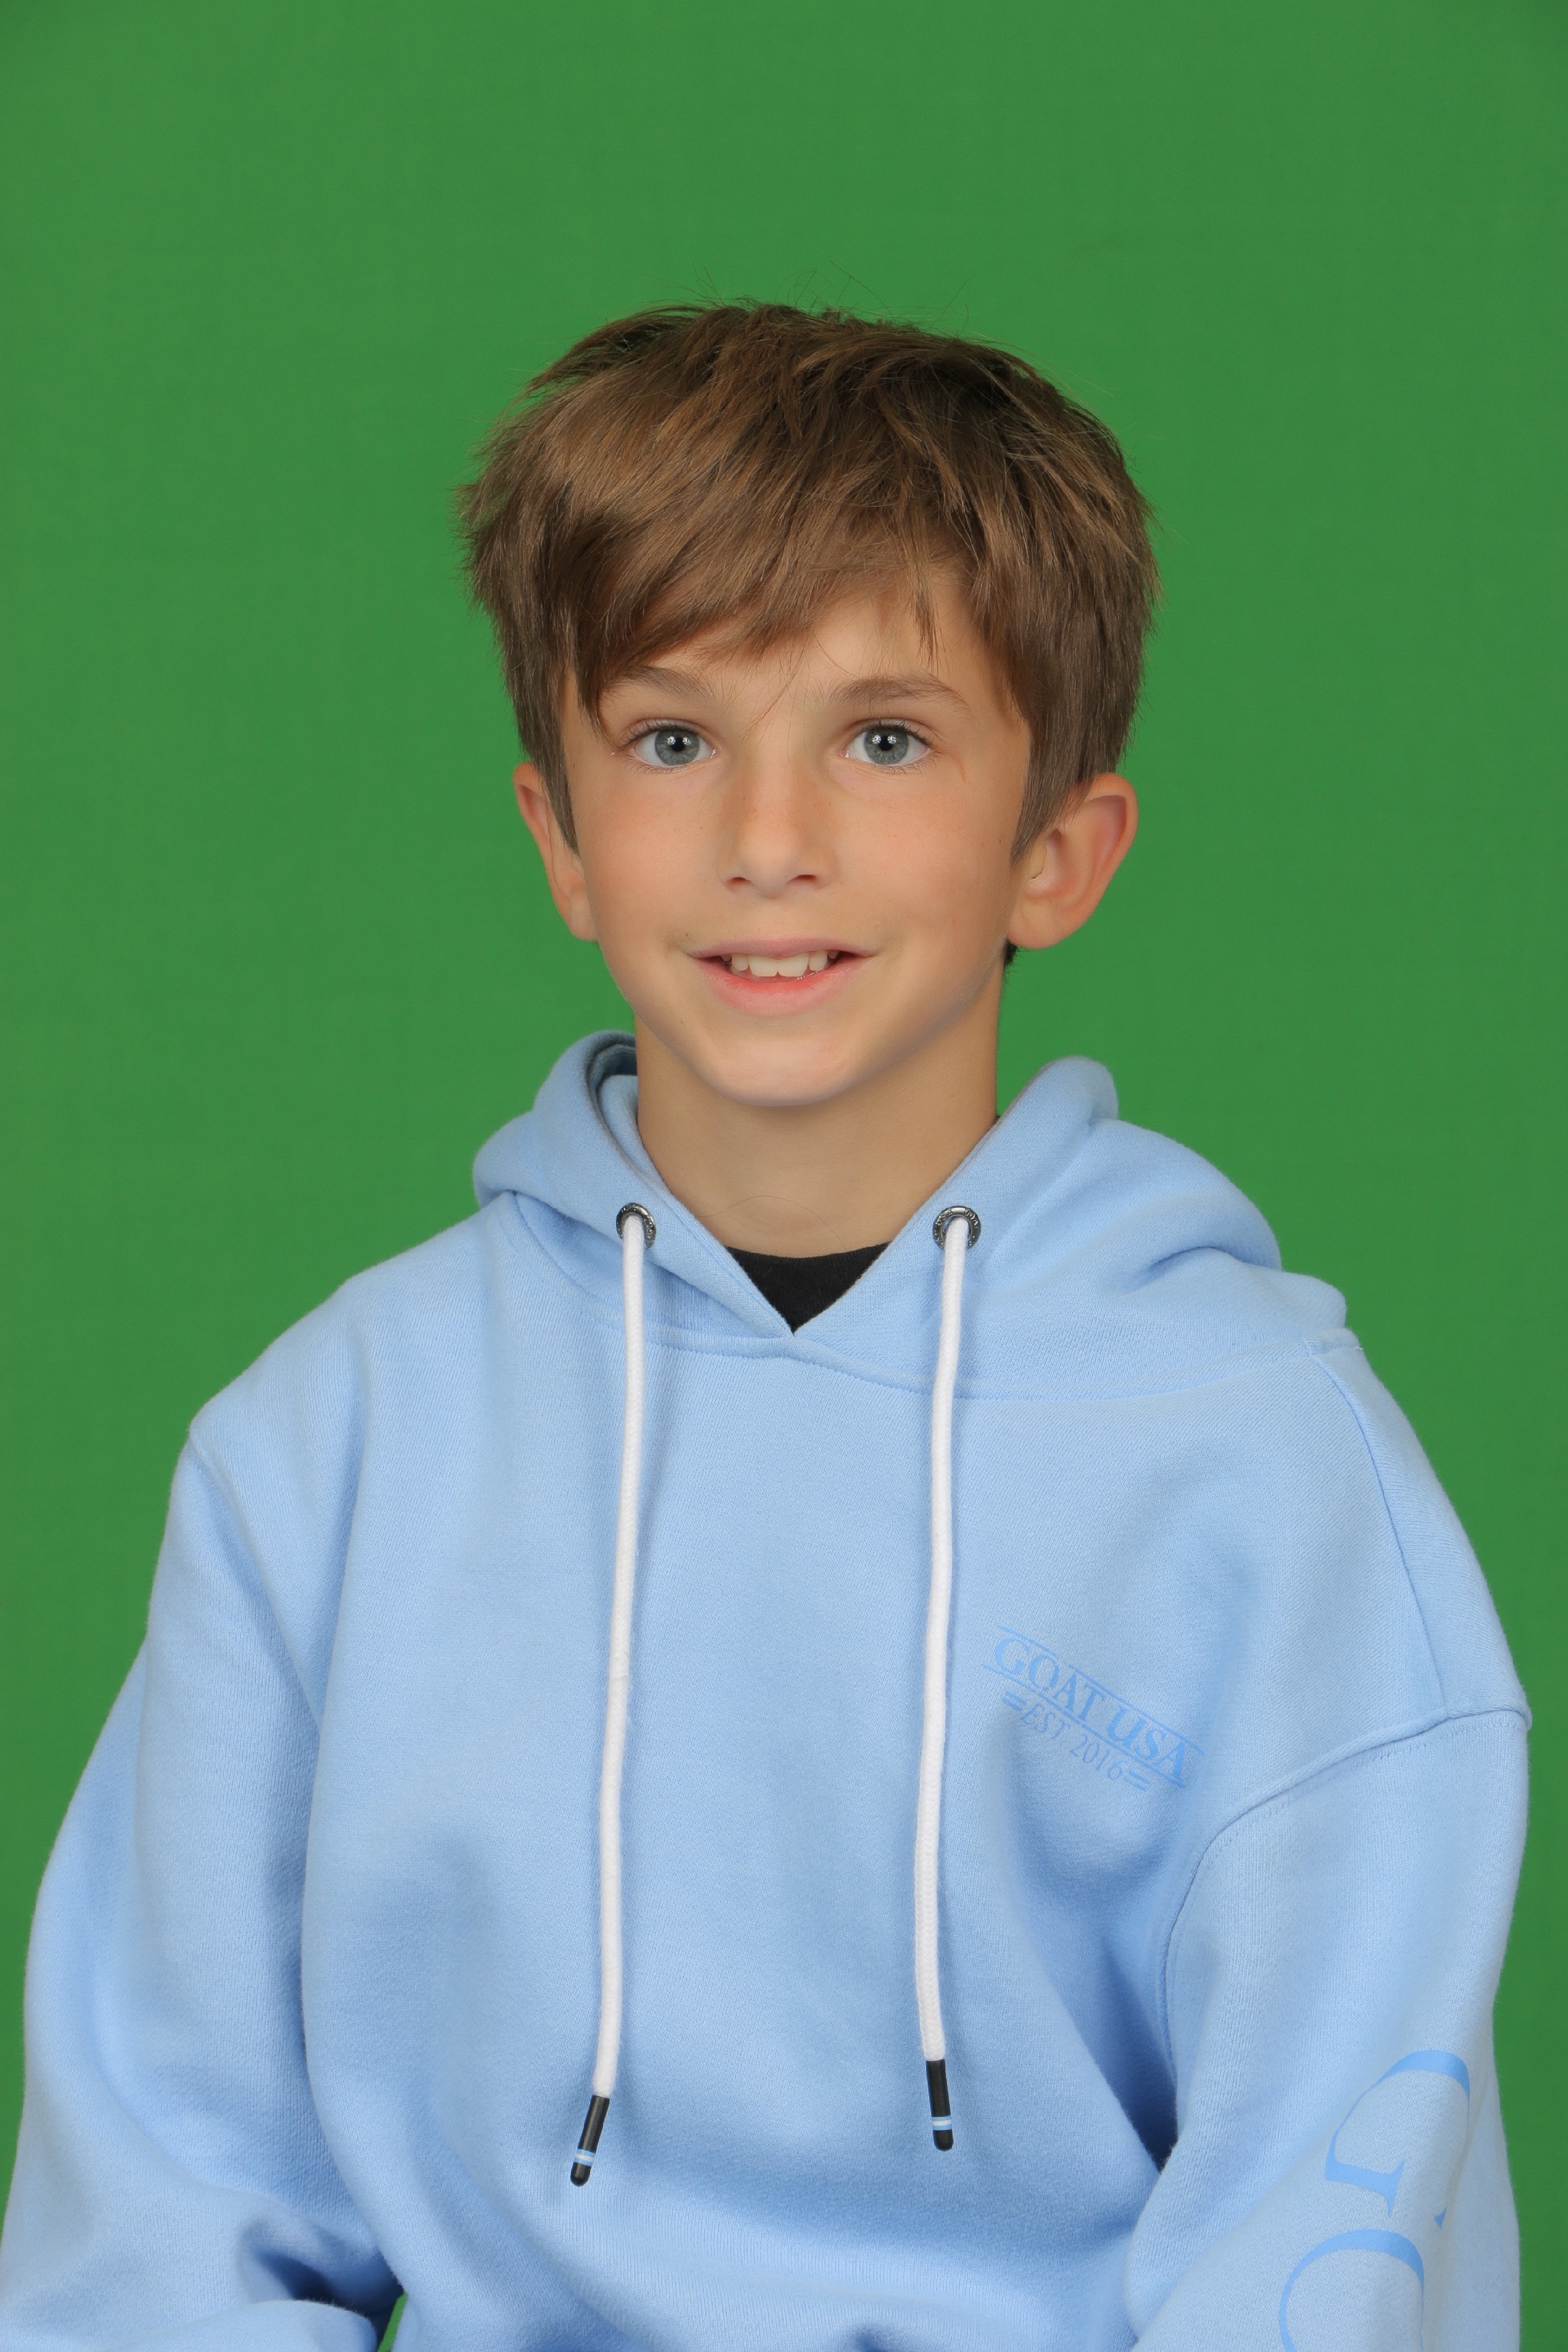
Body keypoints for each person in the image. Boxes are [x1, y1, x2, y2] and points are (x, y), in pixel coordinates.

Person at [0, 303, 1526, 2352]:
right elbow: (156, 2235)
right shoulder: (328, 1453)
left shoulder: (1269, 1467)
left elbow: (1325, 2248)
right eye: (672, 739)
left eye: (884, 738)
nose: (768, 840)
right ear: (559, 837)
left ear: (1057, 852)